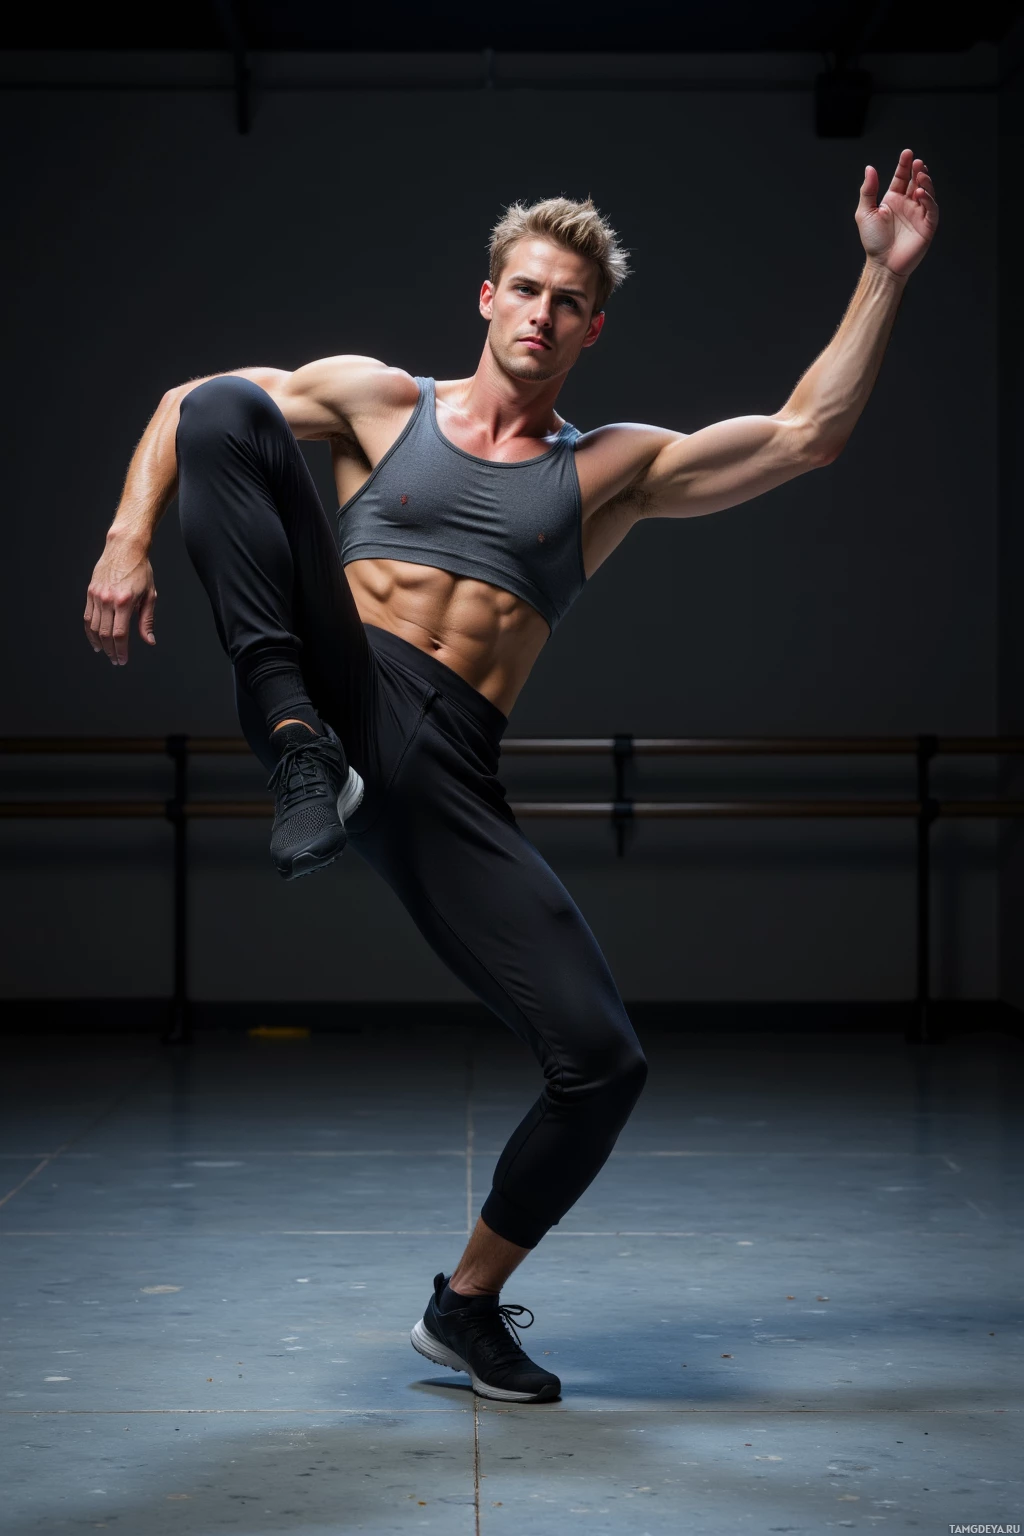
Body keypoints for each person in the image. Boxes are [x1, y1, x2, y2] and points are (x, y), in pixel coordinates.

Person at [83, 152, 938, 1403]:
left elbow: (807, 436)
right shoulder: (379, 403)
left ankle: (464, 1307)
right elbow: (186, 407)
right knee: (227, 407)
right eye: (525, 289)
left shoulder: (610, 471)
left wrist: (879, 272)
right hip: (332, 677)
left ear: (593, 328)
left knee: (602, 1062)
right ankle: (295, 749)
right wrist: (124, 542)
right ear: (487, 298)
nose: (542, 313)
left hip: (443, 762)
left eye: (568, 302)